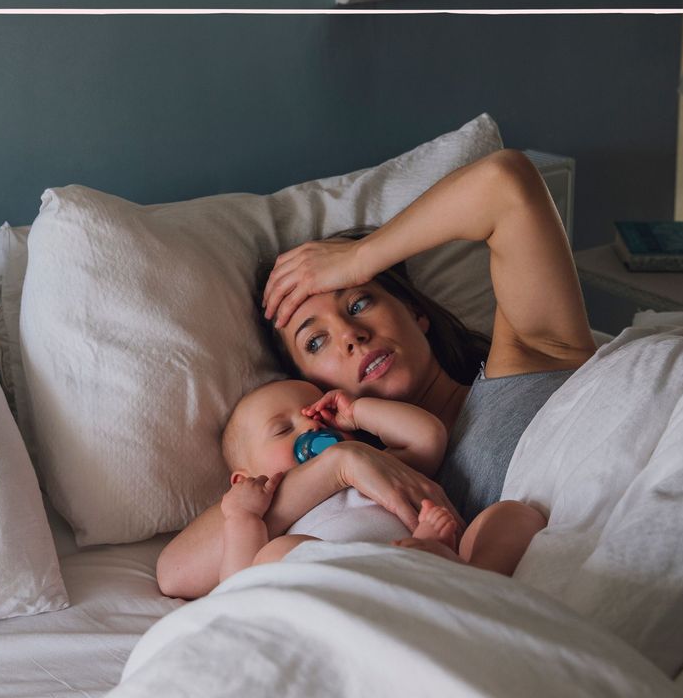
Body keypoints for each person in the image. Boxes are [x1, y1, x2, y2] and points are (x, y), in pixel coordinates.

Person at [156, 148, 596, 599]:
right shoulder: (364, 488)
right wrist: (341, 465)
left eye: (360, 301)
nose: (350, 334)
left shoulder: (530, 353)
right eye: (315, 341)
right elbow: (176, 570)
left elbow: (506, 182)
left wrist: (360, 258)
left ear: (416, 311)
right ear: (312, 388)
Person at [218, 379, 546, 583]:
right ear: (242, 478)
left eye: (316, 416)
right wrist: (241, 515)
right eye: (282, 429)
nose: (310, 429)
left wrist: (357, 412)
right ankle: (412, 566)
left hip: (436, 573)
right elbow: (237, 589)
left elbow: (427, 436)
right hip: (346, 590)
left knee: (513, 515)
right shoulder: (269, 518)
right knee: (275, 556)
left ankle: (473, 578)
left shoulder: (379, 468)